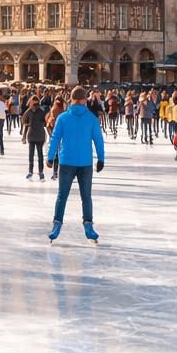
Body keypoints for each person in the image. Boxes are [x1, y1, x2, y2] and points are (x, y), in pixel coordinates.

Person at [46, 86, 105, 243]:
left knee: (62, 196)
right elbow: (98, 140)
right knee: (86, 197)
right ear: (85, 100)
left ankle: (57, 224)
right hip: (85, 163)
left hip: (66, 162)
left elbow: (55, 139)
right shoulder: (92, 119)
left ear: (71, 100)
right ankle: (88, 225)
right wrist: (101, 158)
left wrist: (50, 157)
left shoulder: (63, 118)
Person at [22, 97, 48, 180]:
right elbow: (25, 123)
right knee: (31, 155)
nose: (35, 106)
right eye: (33, 104)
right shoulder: (28, 112)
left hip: (40, 136)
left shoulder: (41, 112)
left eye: (36, 104)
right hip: (32, 136)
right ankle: (30, 171)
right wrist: (24, 136)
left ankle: (41, 172)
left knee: (40, 155)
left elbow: (46, 123)